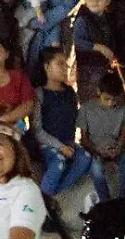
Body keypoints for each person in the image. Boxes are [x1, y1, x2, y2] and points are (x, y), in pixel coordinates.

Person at [32, 48, 90, 200]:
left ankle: (55, 197)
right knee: (59, 161)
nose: (66, 68)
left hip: (68, 142)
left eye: (66, 64)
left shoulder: (70, 92)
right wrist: (60, 146)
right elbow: (37, 130)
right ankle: (43, 202)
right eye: (60, 64)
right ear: (47, 67)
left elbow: (75, 120)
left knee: (85, 158)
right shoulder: (39, 93)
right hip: (47, 144)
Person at [79, 72, 125, 204]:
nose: (110, 103)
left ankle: (122, 201)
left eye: (114, 99)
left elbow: (123, 134)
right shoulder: (86, 108)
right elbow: (83, 139)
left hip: (114, 148)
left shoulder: (122, 109)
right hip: (95, 148)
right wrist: (96, 149)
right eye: (106, 99)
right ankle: (106, 203)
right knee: (96, 170)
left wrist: (118, 147)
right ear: (98, 92)